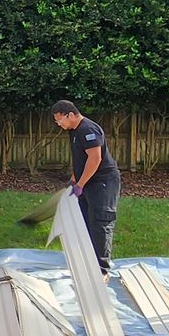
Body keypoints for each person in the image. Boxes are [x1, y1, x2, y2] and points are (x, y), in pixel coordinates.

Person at [52, 99, 120, 272]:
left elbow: (94, 158)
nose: (59, 124)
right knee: (84, 221)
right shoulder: (74, 131)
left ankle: (102, 269)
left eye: (60, 120)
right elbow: (80, 160)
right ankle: (88, 263)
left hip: (102, 182)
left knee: (100, 223)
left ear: (71, 115)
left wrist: (81, 184)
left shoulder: (87, 129)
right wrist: (73, 181)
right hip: (87, 182)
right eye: (57, 121)